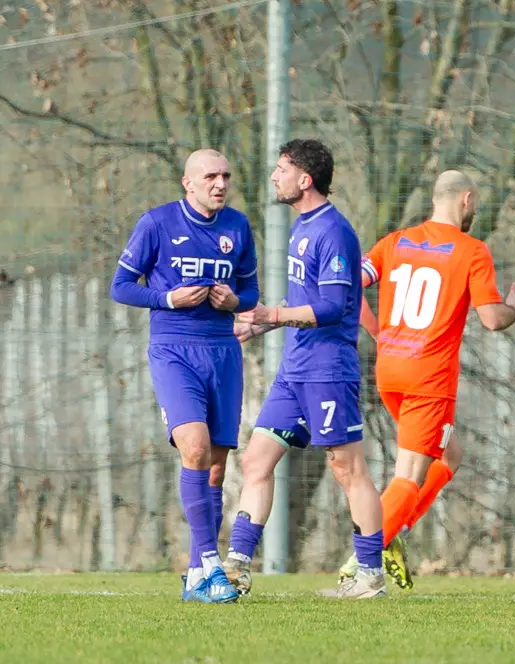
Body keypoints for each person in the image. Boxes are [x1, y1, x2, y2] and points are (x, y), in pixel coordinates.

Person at [333, 169, 515, 590]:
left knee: (449, 455)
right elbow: (492, 319)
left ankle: (394, 532)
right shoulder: (471, 250)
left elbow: (348, 285)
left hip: (390, 370)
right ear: (467, 199)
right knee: (408, 475)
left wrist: (376, 331)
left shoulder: (394, 242)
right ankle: (363, 559)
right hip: (428, 377)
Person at [221, 139, 387, 599]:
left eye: (281, 169)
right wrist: (264, 329)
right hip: (295, 371)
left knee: (347, 468)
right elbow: (305, 303)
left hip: (327, 370)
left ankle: (370, 574)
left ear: (305, 179)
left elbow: (334, 306)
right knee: (255, 459)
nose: (274, 176)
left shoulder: (333, 231)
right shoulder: (302, 228)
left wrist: (270, 315)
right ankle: (237, 567)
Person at [110, 149, 258, 603]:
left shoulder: (237, 226)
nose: (220, 183)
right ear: (187, 182)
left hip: (224, 351)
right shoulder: (157, 223)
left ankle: (196, 576)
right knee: (191, 447)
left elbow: (251, 289)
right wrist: (170, 299)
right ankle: (212, 565)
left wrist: (236, 302)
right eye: (210, 176)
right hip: (174, 350)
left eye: (226, 176)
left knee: (215, 467)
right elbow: (121, 286)